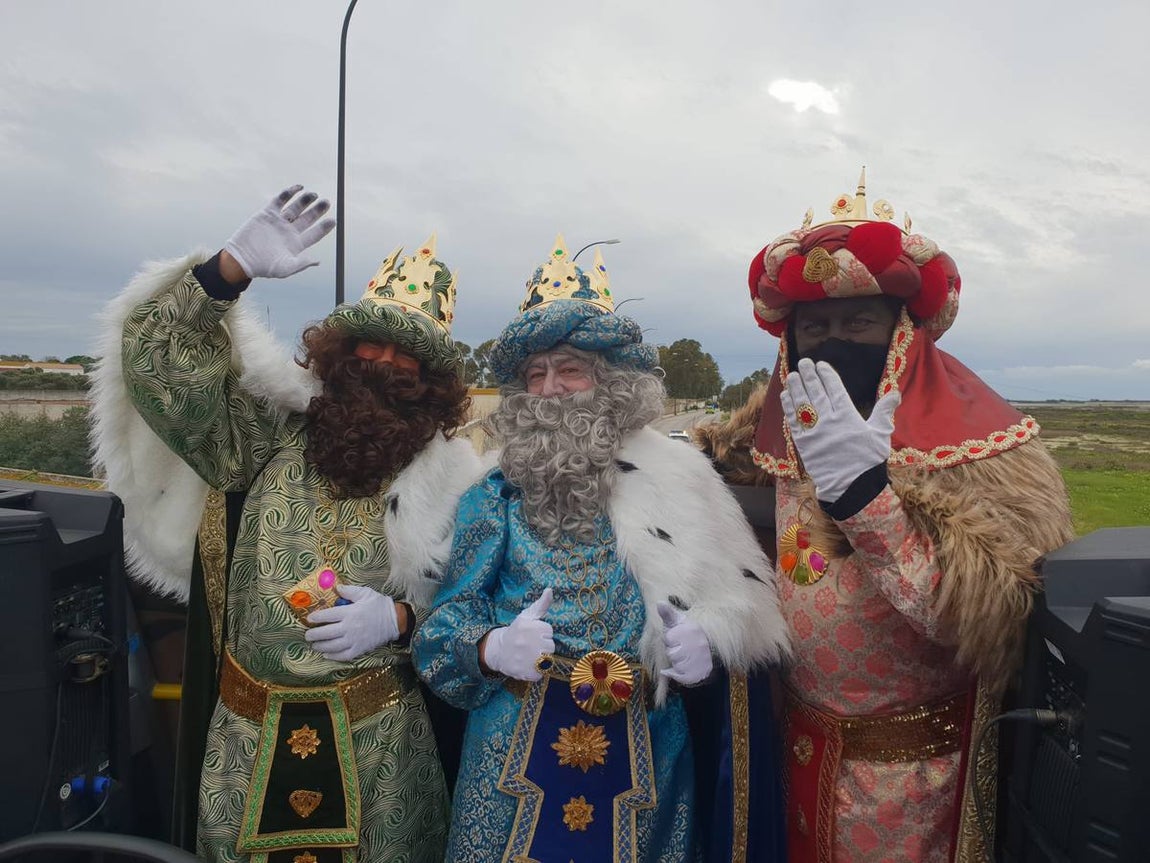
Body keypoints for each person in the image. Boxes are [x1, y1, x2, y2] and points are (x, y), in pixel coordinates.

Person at [90, 186, 482, 863]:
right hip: (249, 739)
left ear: (429, 380)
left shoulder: (458, 482)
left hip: (382, 749)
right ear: (340, 351)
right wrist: (228, 269)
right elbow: (161, 368)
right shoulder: (265, 434)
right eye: (370, 346)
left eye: (405, 358)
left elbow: (478, 606)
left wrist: (400, 621)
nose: (383, 365)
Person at [696, 170, 1075, 862]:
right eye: (816, 327)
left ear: (900, 330)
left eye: (857, 322)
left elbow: (988, 624)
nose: (834, 340)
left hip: (910, 788)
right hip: (792, 760)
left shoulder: (984, 454)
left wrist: (867, 495)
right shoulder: (773, 443)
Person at [412, 236, 790, 862]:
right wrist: (490, 646)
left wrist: (712, 636)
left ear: (609, 381)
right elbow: (442, 628)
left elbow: (745, 601)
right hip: (511, 750)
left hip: (645, 749)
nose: (551, 388)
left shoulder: (681, 476)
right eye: (536, 374)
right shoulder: (492, 495)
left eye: (570, 369)